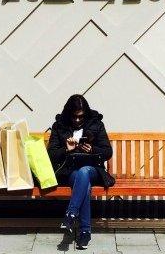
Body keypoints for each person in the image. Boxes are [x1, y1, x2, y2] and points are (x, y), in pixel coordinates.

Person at [47, 94, 114, 250]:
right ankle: (85, 232)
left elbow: (107, 151)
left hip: (94, 169)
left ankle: (71, 215)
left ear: (86, 113)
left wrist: (93, 149)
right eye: (74, 117)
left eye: (81, 117)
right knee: (83, 181)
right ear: (68, 114)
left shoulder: (96, 124)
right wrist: (66, 149)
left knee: (84, 172)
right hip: (70, 171)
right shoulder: (60, 126)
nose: (77, 120)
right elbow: (51, 155)